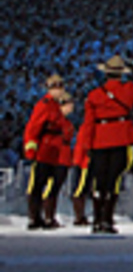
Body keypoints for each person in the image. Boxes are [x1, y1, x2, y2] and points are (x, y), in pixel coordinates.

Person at [78, 55, 133, 235]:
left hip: (99, 139)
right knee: (113, 181)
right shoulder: (128, 90)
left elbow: (88, 123)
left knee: (99, 182)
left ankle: (97, 220)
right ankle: (107, 219)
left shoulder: (94, 95)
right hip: (120, 138)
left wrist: (86, 145)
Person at [22, 73, 68, 230]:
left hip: (56, 150)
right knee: (37, 184)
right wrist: (31, 147)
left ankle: (46, 216)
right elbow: (33, 128)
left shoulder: (57, 105)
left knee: (53, 184)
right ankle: (34, 217)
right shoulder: (44, 105)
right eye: (55, 87)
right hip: (45, 149)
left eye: (60, 87)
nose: (59, 90)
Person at [41, 92, 77, 229]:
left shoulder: (66, 122)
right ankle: (47, 217)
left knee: (55, 188)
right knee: (51, 187)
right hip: (54, 156)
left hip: (63, 157)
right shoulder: (55, 120)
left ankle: (50, 216)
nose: (71, 108)